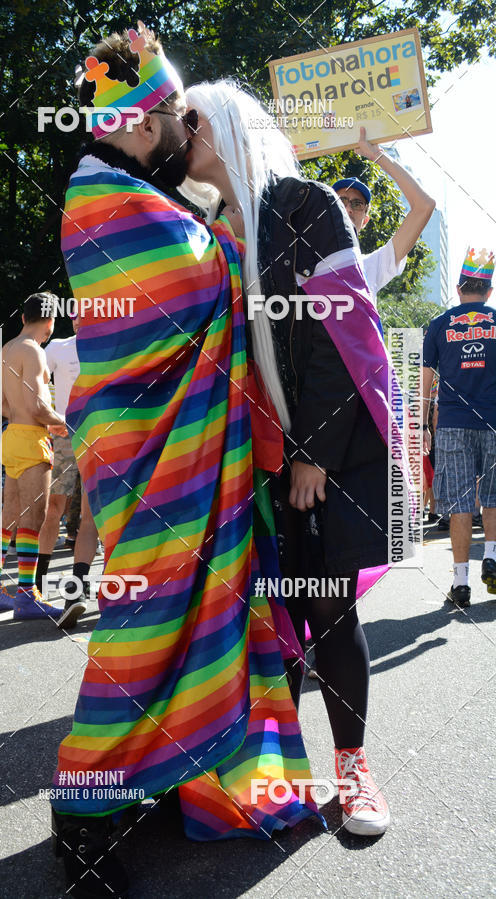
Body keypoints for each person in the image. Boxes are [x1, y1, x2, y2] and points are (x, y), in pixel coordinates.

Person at [51, 26, 320, 899]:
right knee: (144, 629)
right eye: (172, 111)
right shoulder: (107, 201)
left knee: (214, 620)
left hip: (181, 464)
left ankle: (196, 772)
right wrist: (241, 235)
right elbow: (199, 286)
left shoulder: (135, 190)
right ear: (141, 117)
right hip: (152, 471)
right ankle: (81, 818)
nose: (181, 122)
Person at [181, 79, 414, 837]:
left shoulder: (305, 203)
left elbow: (344, 337)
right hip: (253, 467)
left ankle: (353, 769)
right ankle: (269, 773)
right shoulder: (210, 227)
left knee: (328, 608)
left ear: (231, 132)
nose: (185, 136)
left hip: (326, 454)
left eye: (196, 123)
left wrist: (312, 452)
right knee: (261, 620)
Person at [0, 293, 66, 619]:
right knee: (33, 521)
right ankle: (27, 595)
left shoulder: (7, 349)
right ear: (50, 321)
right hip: (31, 440)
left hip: (12, 436)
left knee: (8, 519)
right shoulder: (35, 352)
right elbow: (37, 406)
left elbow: (0, 404)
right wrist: (63, 423)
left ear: (23, 318)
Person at [422, 247, 496, 608]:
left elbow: (424, 379)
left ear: (458, 286)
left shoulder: (438, 325)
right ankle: (493, 558)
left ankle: (462, 583)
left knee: (461, 504)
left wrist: (422, 424)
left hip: (452, 423)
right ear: (489, 289)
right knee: (495, 498)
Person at [36, 311, 103, 628]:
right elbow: (32, 383)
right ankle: (37, 583)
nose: (78, 319)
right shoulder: (58, 347)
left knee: (95, 519)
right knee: (54, 509)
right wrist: (49, 417)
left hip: (103, 438)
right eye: (74, 314)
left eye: (86, 314)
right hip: (66, 438)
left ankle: (78, 593)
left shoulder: (112, 346)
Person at [332, 127, 435, 303]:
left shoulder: (372, 265)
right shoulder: (302, 259)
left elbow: (424, 206)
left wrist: (376, 155)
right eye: (341, 201)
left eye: (357, 204)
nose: (348, 209)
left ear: (365, 221)